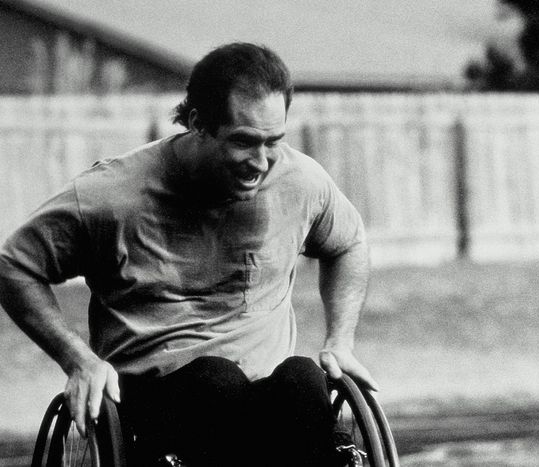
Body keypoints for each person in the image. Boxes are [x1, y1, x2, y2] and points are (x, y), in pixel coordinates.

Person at [0, 42, 377, 466]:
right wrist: (78, 360)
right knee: (215, 381)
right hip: (157, 401)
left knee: (302, 377)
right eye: (244, 142)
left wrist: (340, 341)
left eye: (274, 141)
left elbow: (347, 242)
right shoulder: (111, 197)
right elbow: (14, 265)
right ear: (198, 122)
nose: (262, 161)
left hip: (268, 397)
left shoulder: (300, 182)